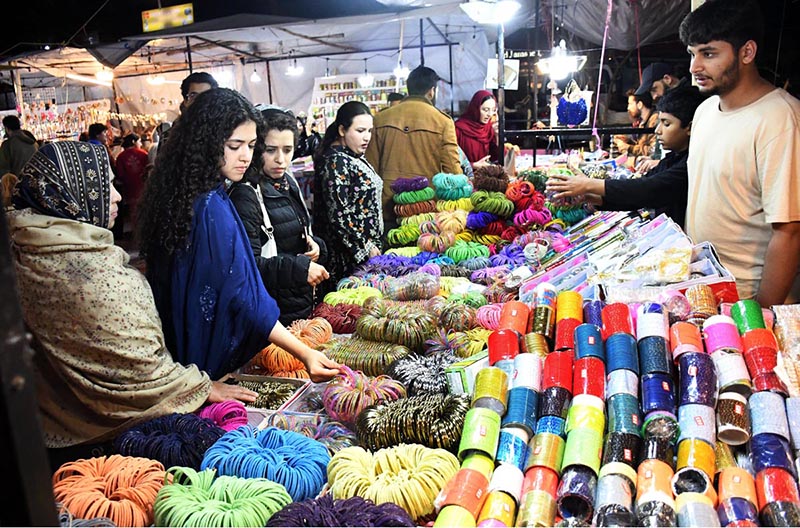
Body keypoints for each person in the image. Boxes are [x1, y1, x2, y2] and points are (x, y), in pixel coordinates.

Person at [8, 141, 258, 461]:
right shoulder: (91, 274)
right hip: (105, 443)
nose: (116, 196)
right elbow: (138, 370)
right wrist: (199, 387)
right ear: (73, 193)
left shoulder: (21, 246)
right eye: (105, 185)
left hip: (42, 435)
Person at [137, 88, 341, 381]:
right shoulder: (209, 206)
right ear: (206, 143)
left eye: (252, 145)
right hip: (205, 366)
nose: (246, 156)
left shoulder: (187, 193)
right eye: (235, 146)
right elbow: (244, 295)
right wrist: (305, 353)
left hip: (187, 361)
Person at [680, 0, 800, 306]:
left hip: (748, 299)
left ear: (746, 52)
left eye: (709, 53)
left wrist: (760, 316)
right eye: (692, 54)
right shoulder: (706, 110)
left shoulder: (780, 119)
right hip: (705, 289)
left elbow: (789, 233)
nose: (695, 67)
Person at [546, 87, 706, 230]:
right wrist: (589, 197)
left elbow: (648, 189)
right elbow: (637, 194)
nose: (657, 131)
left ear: (690, 128)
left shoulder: (690, 165)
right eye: (659, 123)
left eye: (666, 124)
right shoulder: (672, 159)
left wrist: (589, 185)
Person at [229, 107, 330, 325]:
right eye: (271, 150)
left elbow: (296, 235)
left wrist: (316, 246)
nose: (280, 160)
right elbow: (247, 265)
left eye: (287, 150)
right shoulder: (246, 195)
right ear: (257, 149)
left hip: (299, 303)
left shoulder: (288, 182)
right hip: (274, 314)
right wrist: (300, 269)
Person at [366, 65, 462, 229]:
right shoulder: (443, 121)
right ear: (432, 91)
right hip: (426, 207)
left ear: (408, 88)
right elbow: (453, 172)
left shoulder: (380, 118)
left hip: (390, 205)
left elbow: (371, 166)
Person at [313, 101, 383, 292]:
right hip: (346, 257)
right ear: (342, 130)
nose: (366, 137)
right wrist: (365, 246)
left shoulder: (351, 156)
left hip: (365, 253)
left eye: (369, 131)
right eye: (360, 131)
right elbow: (339, 214)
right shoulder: (335, 162)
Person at [455, 90, 502, 170]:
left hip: (484, 177)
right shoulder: (459, 129)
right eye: (486, 110)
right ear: (475, 109)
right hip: (464, 178)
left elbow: (495, 157)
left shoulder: (488, 128)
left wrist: (497, 136)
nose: (490, 114)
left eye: (493, 110)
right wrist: (473, 165)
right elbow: (452, 160)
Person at [114, 133, 149, 233]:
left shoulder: (121, 156)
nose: (141, 144)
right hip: (143, 185)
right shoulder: (143, 154)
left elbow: (120, 174)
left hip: (129, 187)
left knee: (132, 210)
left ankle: (135, 231)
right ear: (134, 142)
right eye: (139, 141)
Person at [613, 92, 659, 166]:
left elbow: (653, 150)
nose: (628, 108)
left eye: (630, 104)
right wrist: (628, 141)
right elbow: (642, 144)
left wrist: (629, 148)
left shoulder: (654, 120)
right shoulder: (642, 121)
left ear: (640, 105)